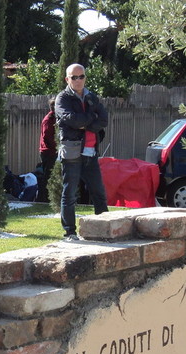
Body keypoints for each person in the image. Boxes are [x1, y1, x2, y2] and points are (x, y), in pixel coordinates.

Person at [55, 64, 109, 240]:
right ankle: (69, 232)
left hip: (90, 152)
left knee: (98, 193)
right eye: (74, 77)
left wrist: (85, 121)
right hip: (72, 153)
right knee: (70, 194)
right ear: (67, 79)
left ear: (85, 77)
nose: (78, 80)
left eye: (81, 76)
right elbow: (71, 120)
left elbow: (104, 119)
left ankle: (104, 229)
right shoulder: (62, 99)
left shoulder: (91, 97)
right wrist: (90, 119)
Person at [38, 98, 57, 202]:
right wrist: (56, 147)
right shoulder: (48, 119)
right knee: (47, 177)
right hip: (48, 152)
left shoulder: (56, 118)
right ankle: (43, 199)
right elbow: (47, 137)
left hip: (53, 151)